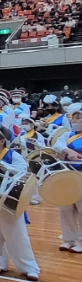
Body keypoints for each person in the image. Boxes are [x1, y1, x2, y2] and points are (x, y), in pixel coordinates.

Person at [0, 120, 40, 279]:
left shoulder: (13, 155)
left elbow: (22, 174)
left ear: (2, 140)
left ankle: (29, 267)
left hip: (8, 200)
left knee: (16, 235)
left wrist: (1, 166)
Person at [52, 102, 82, 252]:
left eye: (79, 117)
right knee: (65, 208)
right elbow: (56, 145)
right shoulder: (67, 135)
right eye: (74, 118)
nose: (75, 121)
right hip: (67, 174)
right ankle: (68, 238)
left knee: (81, 209)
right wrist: (67, 151)